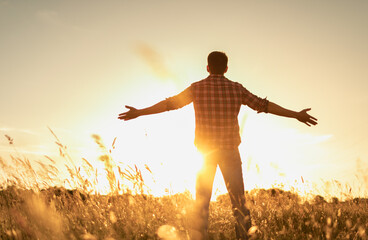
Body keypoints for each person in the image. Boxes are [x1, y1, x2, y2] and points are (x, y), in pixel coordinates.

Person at [118, 51, 317, 240]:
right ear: (226, 68)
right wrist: (296, 114)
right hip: (230, 152)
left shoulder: (197, 88)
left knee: (201, 203)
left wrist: (140, 112)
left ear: (207, 67)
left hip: (204, 154)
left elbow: (170, 104)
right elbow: (264, 105)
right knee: (239, 204)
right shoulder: (236, 88)